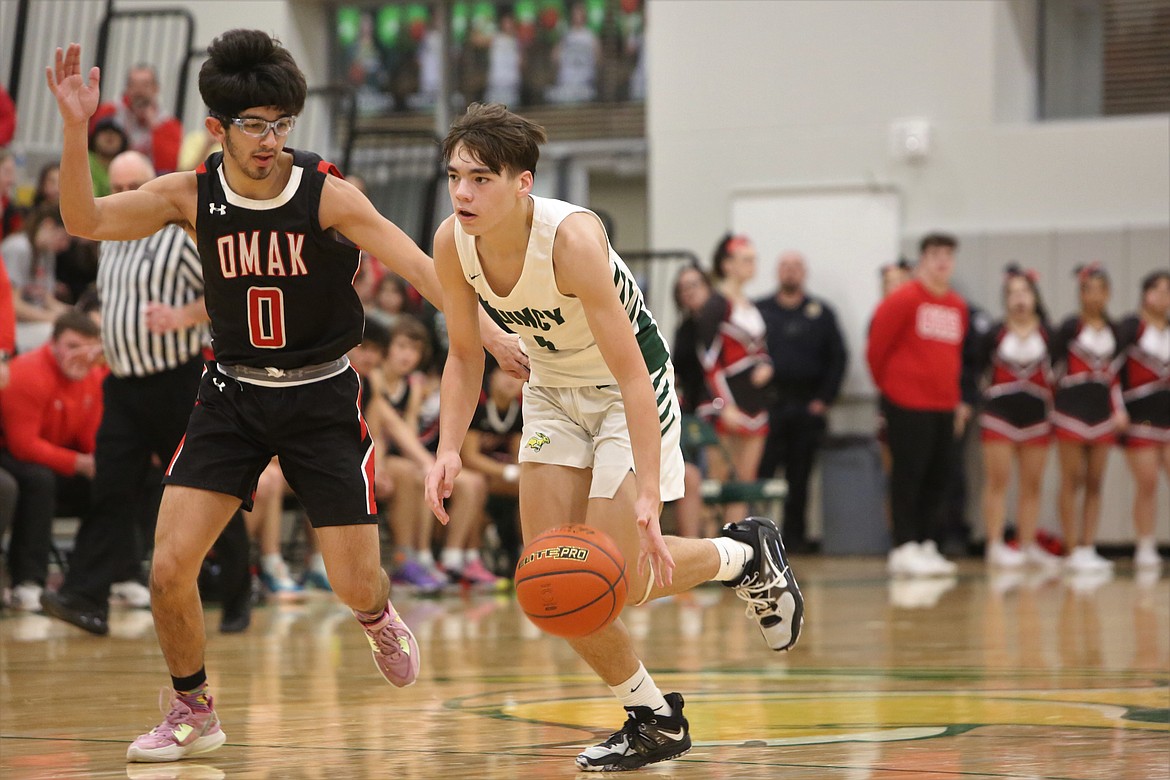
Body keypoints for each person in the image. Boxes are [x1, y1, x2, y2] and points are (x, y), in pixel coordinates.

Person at [46, 32, 522, 763]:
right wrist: (76, 130)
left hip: (321, 398)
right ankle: (192, 709)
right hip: (231, 396)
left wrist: (485, 332)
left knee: (355, 582)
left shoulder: (325, 193)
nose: (270, 140)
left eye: (281, 124)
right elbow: (86, 221)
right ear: (217, 128)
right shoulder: (190, 193)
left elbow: (424, 268)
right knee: (169, 566)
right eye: (254, 124)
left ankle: (376, 615)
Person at [425, 102, 803, 772]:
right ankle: (654, 717)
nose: (462, 191)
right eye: (455, 175)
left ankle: (740, 555)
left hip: (627, 390)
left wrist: (649, 498)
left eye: (480, 178)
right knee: (551, 583)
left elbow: (632, 374)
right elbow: (463, 354)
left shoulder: (570, 240)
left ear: (522, 183)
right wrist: (448, 448)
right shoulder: (452, 241)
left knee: (619, 578)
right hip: (550, 393)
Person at [38, 151, 213, 634]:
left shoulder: (177, 239)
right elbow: (119, 309)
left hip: (176, 383)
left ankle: (236, 586)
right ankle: (85, 598)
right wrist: (103, 349)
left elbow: (226, 294)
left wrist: (182, 317)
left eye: (133, 185)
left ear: (153, 186)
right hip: (123, 385)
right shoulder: (108, 238)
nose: (123, 196)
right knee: (110, 490)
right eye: (115, 187)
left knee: (203, 488)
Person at [867, 233, 966, 578]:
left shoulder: (957, 306)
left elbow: (955, 357)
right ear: (923, 260)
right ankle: (904, 545)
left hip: (943, 404)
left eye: (948, 254)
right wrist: (892, 389)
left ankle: (926, 543)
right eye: (935, 254)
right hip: (906, 403)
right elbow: (876, 349)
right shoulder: (903, 299)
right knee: (908, 475)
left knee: (939, 476)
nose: (942, 261)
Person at [0, 310, 104, 611]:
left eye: (88, 348)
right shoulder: (28, 373)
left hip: (55, 458)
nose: (81, 355)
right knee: (38, 480)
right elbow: (23, 446)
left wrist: (99, 462)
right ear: (53, 344)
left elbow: (90, 437)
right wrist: (79, 463)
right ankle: (27, 582)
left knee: (113, 482)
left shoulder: (92, 376)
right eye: (72, 346)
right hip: (14, 456)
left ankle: (93, 582)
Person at [756, 249, 848, 552]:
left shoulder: (821, 313)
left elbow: (838, 358)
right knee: (762, 475)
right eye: (784, 266)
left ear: (803, 273)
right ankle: (757, 538)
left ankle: (794, 539)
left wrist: (824, 399)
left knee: (800, 478)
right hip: (769, 407)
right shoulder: (760, 310)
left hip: (807, 408)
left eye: (796, 266)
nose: (790, 271)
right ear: (776, 272)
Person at [976, 266, 1058, 569]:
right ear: (1005, 299)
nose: (1019, 299)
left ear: (1035, 297)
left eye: (1025, 292)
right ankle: (995, 544)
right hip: (999, 414)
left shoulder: (1051, 334)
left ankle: (1027, 544)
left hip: (1037, 416)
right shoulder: (993, 334)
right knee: (998, 481)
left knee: (1032, 484)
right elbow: (978, 372)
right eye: (1013, 293)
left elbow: (1059, 374)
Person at [1050, 263, 1126, 574]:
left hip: (1102, 412)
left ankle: (1088, 546)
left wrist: (1119, 409)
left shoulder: (1116, 331)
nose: (1093, 296)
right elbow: (1051, 370)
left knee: (1095, 481)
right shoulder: (1069, 328)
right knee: (1072, 479)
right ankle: (1071, 548)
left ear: (1107, 293)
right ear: (1080, 293)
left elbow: (1117, 375)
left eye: (1099, 289)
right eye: (1087, 289)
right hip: (1070, 409)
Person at [693, 234, 774, 526]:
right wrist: (723, 404)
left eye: (754, 259)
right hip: (725, 403)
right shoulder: (716, 304)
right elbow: (709, 359)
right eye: (745, 259)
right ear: (727, 264)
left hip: (753, 402)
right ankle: (709, 549)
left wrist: (766, 364)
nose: (752, 265)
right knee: (716, 484)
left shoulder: (751, 306)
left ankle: (734, 553)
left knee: (744, 484)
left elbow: (760, 349)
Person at [1118, 270, 1170, 570]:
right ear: (1145, 294)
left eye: (1168, 291)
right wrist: (1118, 407)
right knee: (1147, 482)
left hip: (1167, 414)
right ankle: (1145, 544)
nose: (1163, 297)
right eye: (1158, 290)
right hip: (1140, 416)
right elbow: (1112, 370)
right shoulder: (1131, 327)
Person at [0, 204, 72, 351]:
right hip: (13, 325)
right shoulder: (18, 248)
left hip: (33, 321)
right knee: (61, 337)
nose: (65, 246)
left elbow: (46, 299)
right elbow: (14, 305)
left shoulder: (47, 253)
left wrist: (74, 315)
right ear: (48, 224)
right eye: (63, 237)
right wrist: (55, 318)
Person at [91, 65, 183, 174]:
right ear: (127, 88)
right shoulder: (109, 112)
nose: (139, 91)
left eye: (145, 85)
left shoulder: (169, 125)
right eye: (133, 85)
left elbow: (168, 167)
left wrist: (156, 128)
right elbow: (90, 150)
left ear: (156, 88)